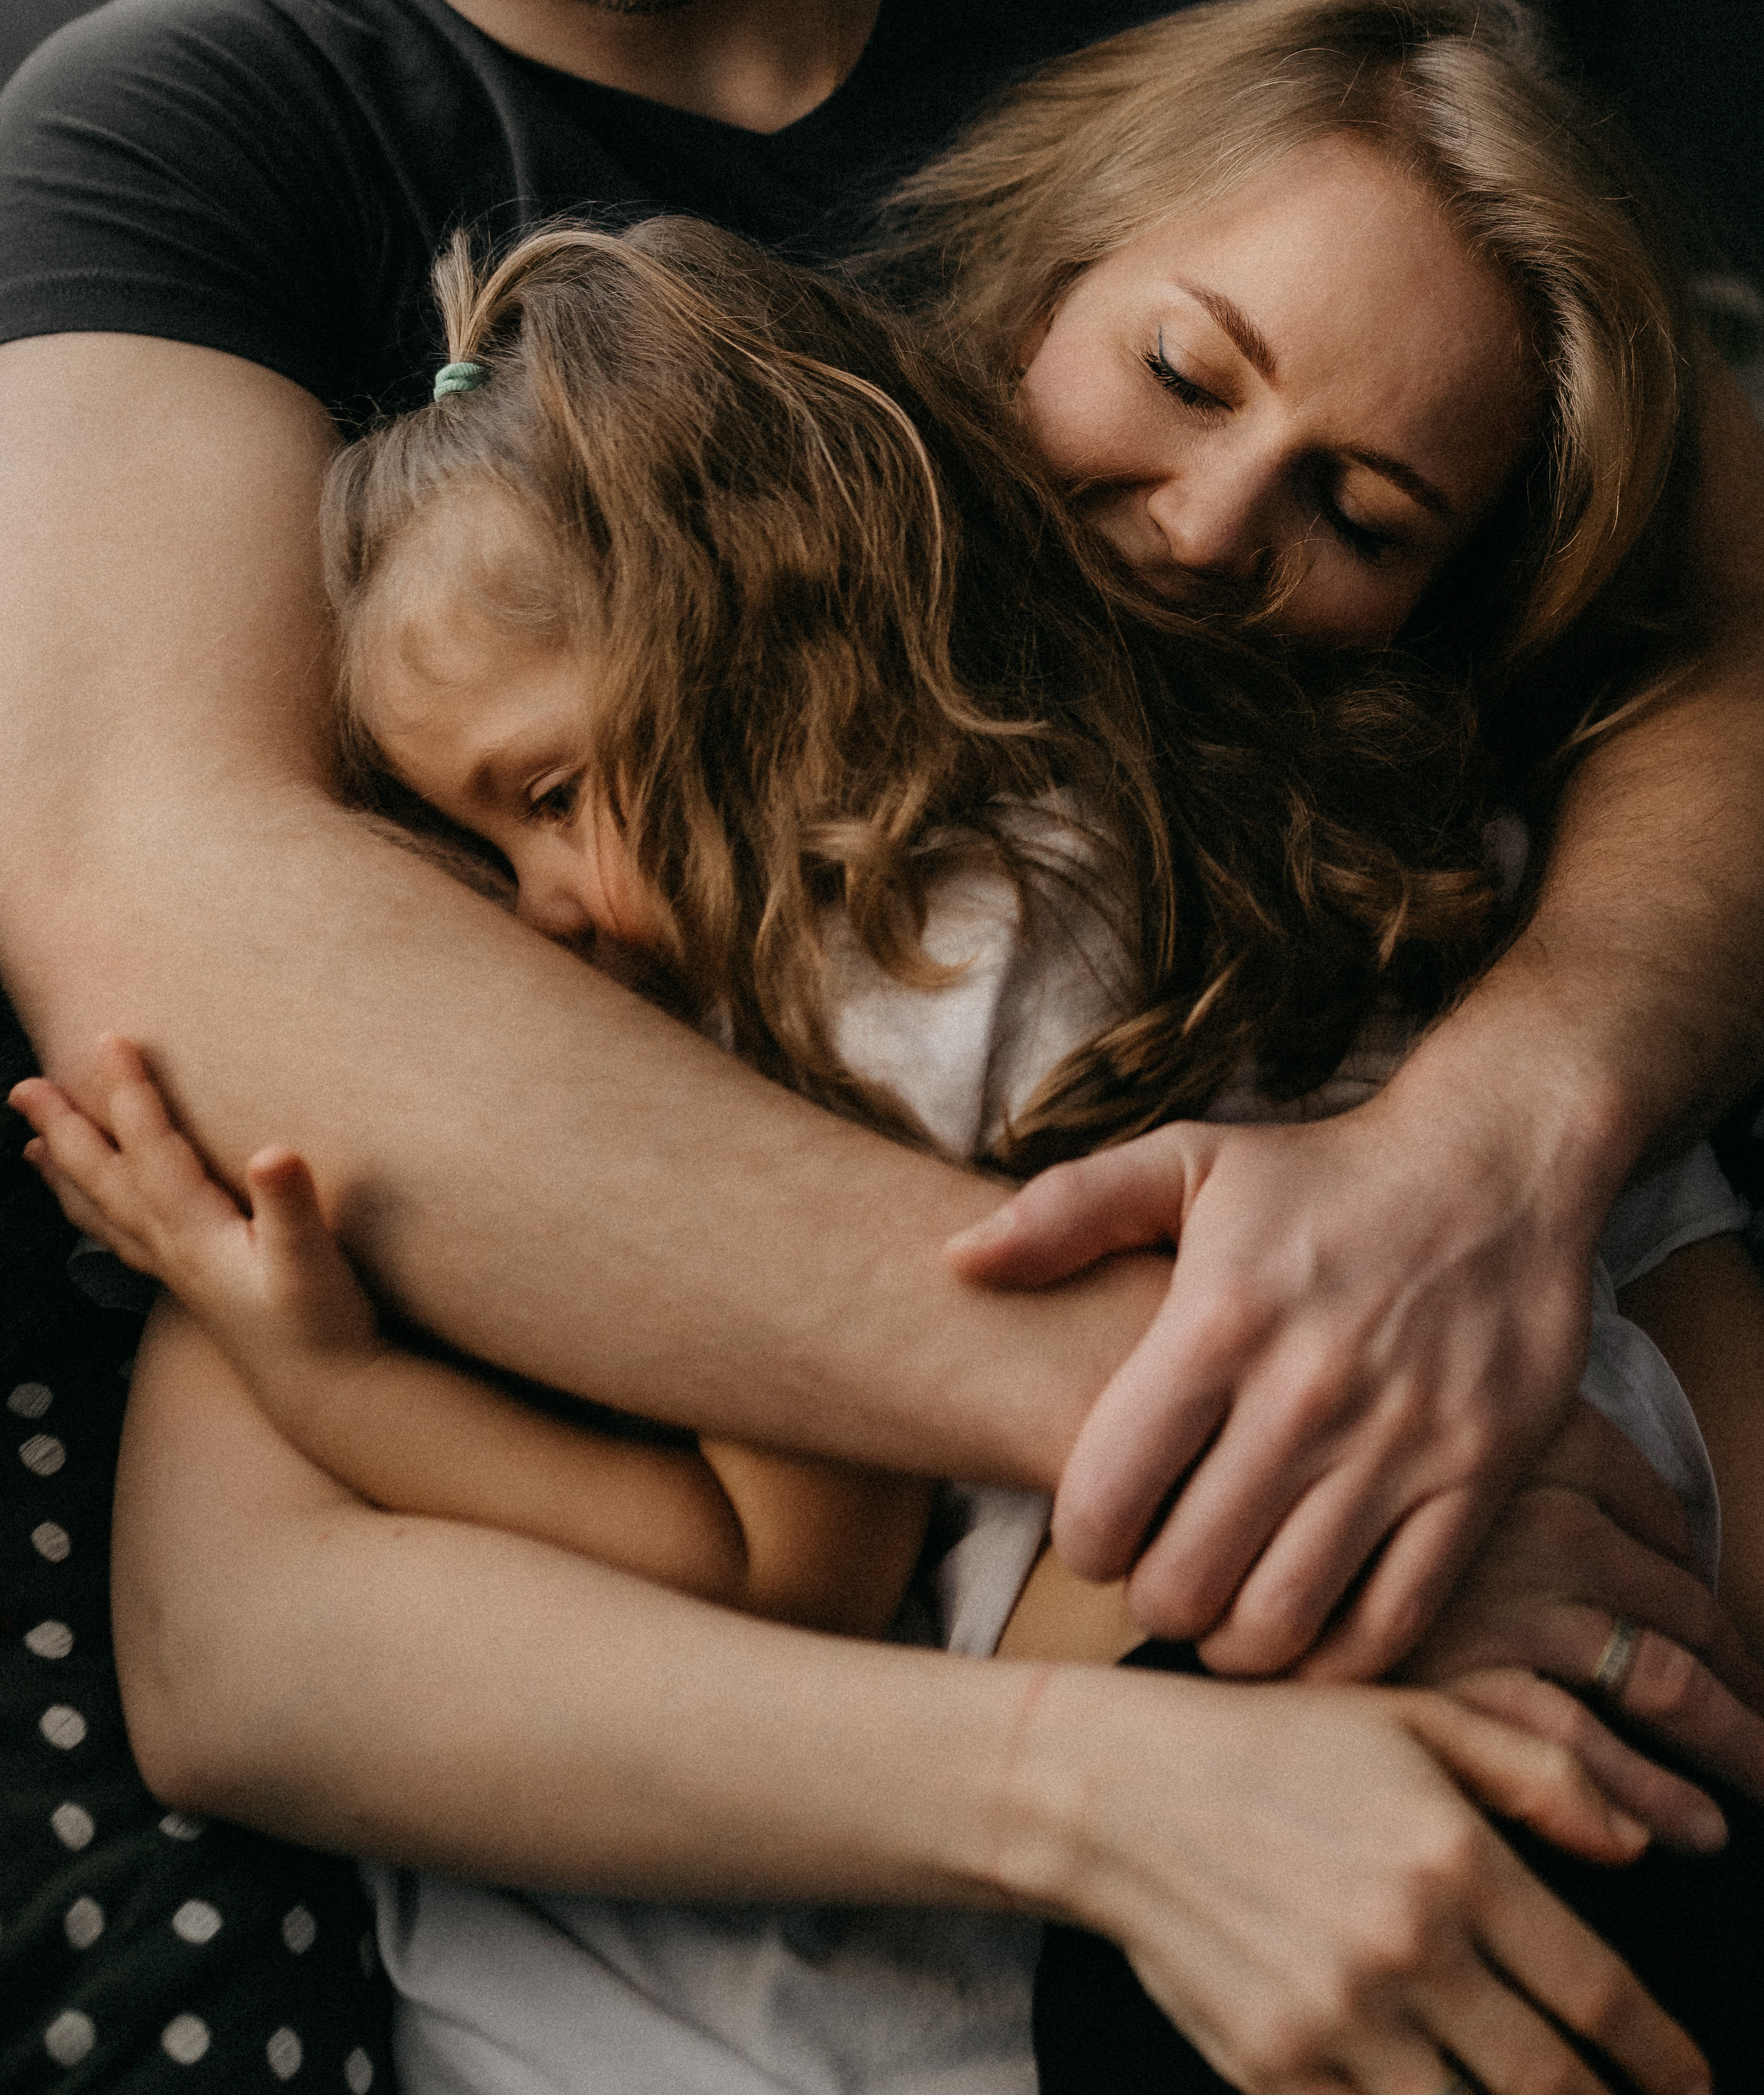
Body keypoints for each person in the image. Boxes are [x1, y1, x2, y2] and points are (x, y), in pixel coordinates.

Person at [3, 0, 1763, 2068]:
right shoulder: (196, 144)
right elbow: (167, 902)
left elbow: (1715, 619)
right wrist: (1243, 1475)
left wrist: (1490, 1155)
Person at [12, 201, 1754, 2095]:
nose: (548, 917)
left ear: (756, 623)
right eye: (481, 845)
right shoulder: (1287, 832)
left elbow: (772, 1572)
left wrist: (326, 1370)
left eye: (559, 794)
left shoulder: (831, 1015)